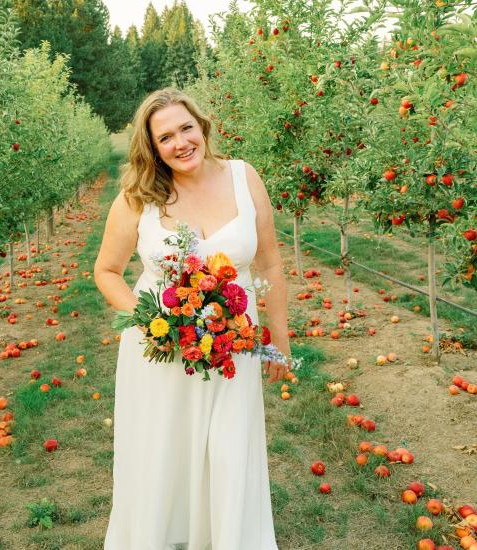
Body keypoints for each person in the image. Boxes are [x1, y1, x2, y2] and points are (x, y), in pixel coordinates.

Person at [94, 87, 291, 550]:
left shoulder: (244, 177)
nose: (180, 142)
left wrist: (278, 338)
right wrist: (149, 320)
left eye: (186, 128)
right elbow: (106, 271)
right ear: (152, 147)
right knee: (162, 451)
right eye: (165, 137)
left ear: (202, 126)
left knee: (228, 448)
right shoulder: (137, 196)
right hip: (160, 350)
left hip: (233, 344)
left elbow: (271, 263)